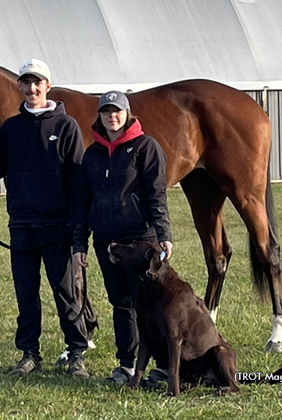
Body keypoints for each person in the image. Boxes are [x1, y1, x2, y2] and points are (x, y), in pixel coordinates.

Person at [0, 58, 96, 378]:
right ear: (19, 86)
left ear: (47, 86)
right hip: (21, 224)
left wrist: (76, 227)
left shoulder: (66, 127)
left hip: (57, 226)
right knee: (26, 293)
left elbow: (77, 180)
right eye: (27, 82)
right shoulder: (11, 127)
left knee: (66, 293)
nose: (32, 88)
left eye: (38, 83)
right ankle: (29, 354)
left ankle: (76, 352)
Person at [73, 90, 173, 386]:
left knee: (152, 305)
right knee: (121, 303)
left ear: (127, 114)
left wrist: (164, 234)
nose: (111, 116)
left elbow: (157, 194)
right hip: (108, 243)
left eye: (116, 111)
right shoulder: (91, 154)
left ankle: (164, 366)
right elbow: (82, 201)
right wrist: (80, 243)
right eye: (106, 112)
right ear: (99, 116)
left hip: (141, 241)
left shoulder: (146, 147)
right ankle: (126, 365)